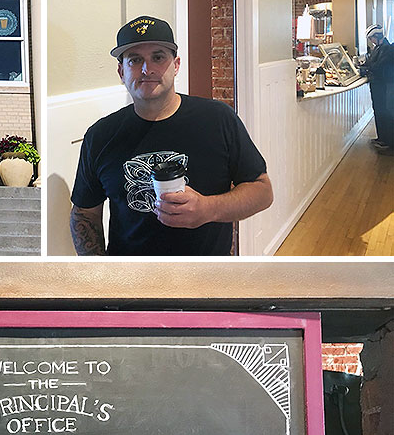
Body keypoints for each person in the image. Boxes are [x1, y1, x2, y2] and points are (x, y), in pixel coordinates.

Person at [70, 16, 273, 256]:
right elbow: (84, 213)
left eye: (158, 57)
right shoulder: (100, 136)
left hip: (207, 277)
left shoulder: (218, 119)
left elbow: (262, 192)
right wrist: (99, 276)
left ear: (176, 65)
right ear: (121, 72)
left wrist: (208, 209)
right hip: (130, 281)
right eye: (135, 60)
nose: (147, 69)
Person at [362, 23, 394, 154]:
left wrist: (366, 68)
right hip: (378, 85)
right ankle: (382, 138)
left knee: (384, 112)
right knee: (379, 111)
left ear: (377, 36)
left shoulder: (387, 49)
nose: (371, 42)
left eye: (371, 39)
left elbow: (378, 66)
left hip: (384, 85)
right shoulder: (379, 48)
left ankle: (388, 142)